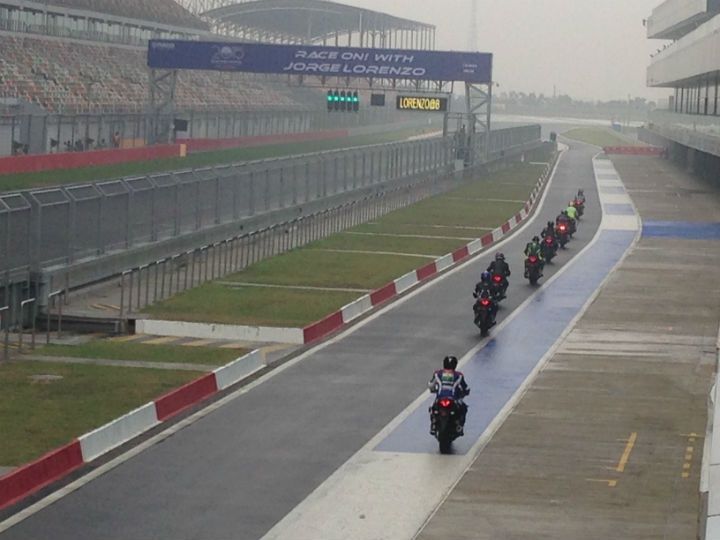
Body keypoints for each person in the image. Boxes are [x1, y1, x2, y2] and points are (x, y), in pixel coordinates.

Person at [428, 355, 470, 435]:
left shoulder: (437, 373)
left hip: (440, 398)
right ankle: (459, 427)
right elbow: (465, 387)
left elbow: (431, 385)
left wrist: (433, 390)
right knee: (464, 408)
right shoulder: (459, 375)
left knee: (432, 409)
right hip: (453, 399)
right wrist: (465, 392)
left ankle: (433, 425)